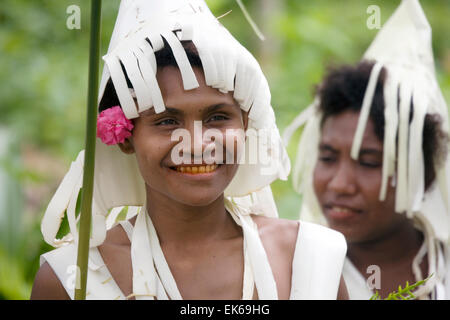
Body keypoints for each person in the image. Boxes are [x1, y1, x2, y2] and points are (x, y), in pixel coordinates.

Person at [30, 0, 348, 300]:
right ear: (125, 136)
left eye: (218, 117)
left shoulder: (313, 259)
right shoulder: (72, 279)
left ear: (245, 123)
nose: (196, 145)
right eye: (167, 121)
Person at [284, 0, 450, 299]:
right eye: (327, 158)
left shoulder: (444, 269)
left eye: (370, 162)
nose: (339, 184)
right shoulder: (290, 275)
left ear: (422, 176)